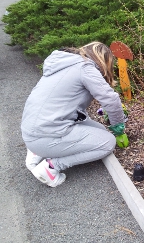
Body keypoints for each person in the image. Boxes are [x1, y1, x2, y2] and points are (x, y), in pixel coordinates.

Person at [21, 42, 127, 188]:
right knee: (107, 143)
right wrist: (119, 128)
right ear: (103, 60)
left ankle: (37, 151)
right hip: (45, 133)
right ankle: (51, 167)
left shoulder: (65, 64)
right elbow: (111, 100)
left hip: (35, 129)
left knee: (101, 131)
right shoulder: (85, 68)